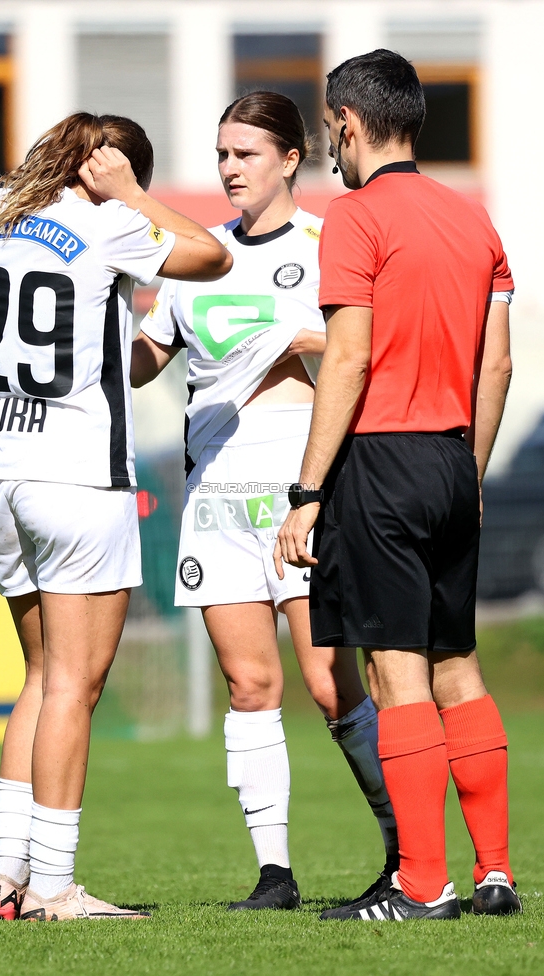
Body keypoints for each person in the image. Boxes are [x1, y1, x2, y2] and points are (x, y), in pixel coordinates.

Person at [116, 91, 398, 910]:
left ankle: (404, 851)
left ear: (289, 159)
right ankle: (274, 873)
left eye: (244, 154)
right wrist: (102, 311)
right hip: (213, 491)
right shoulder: (196, 258)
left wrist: (302, 339)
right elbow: (144, 361)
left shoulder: (326, 245)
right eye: (221, 155)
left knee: (326, 680)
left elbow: (364, 350)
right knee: (250, 685)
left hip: (300, 491)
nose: (229, 169)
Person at [275, 50, 521, 922]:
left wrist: (307, 493)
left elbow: (349, 352)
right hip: (456, 460)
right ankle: (494, 873)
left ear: (345, 121)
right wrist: (472, 469)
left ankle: (422, 886)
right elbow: (498, 363)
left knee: (396, 670)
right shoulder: (473, 218)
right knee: (459, 666)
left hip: (380, 461)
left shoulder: (356, 215)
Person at [0, 112, 231, 921]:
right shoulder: (111, 220)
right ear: (111, 166)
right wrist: (132, 195)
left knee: (42, 678)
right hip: (76, 478)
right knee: (74, 692)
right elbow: (213, 257)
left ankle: (7, 876)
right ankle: (54, 885)